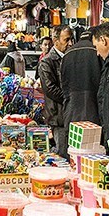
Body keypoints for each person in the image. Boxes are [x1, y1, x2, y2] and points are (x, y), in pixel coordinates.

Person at [38, 25, 74, 159]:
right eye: (67, 40)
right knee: (63, 154)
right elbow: (50, 89)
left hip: (70, 114)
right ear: (56, 40)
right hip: (58, 116)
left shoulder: (70, 57)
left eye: (71, 39)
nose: (70, 43)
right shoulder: (47, 62)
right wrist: (70, 99)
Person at [61, 28, 102, 128]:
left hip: (72, 109)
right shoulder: (97, 51)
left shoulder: (68, 53)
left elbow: (63, 82)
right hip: (95, 108)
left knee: (74, 140)